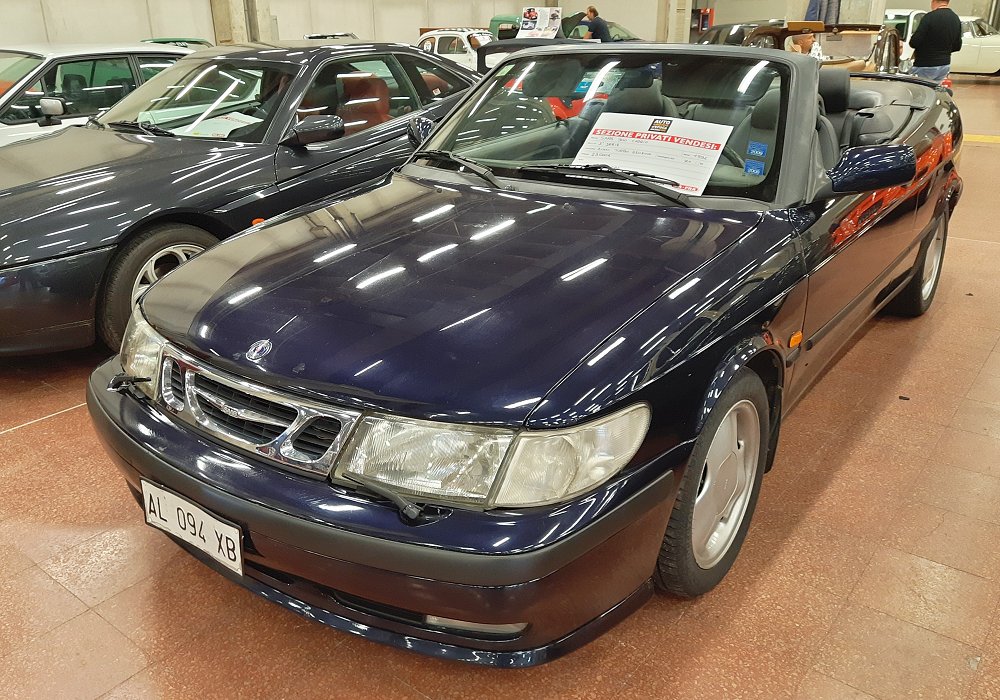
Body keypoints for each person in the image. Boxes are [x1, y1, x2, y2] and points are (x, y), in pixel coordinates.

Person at [908, 0, 962, 83]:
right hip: (944, 64)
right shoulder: (955, 18)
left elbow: (914, 42)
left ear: (933, 1)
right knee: (934, 91)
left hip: (925, 64)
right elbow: (957, 46)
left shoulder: (929, 17)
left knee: (919, 92)